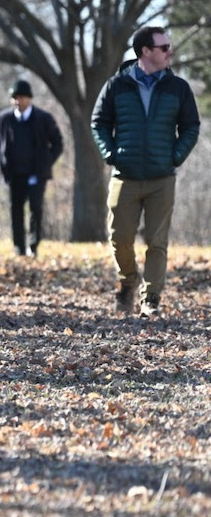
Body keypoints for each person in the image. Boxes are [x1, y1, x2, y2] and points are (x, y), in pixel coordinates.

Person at [92, 25, 201, 317]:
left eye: (169, 46)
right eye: (164, 47)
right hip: (124, 176)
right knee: (120, 238)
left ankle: (151, 298)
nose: (170, 52)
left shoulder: (178, 87)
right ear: (146, 52)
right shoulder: (117, 84)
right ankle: (128, 282)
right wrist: (111, 154)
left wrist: (175, 156)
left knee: (157, 241)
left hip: (161, 178)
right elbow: (99, 122)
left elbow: (191, 126)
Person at [0, 78, 64, 258]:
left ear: (30, 98)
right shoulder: (4, 119)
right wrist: (1, 162)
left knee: (35, 209)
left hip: (36, 174)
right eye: (15, 98)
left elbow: (58, 144)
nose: (18, 101)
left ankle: (33, 245)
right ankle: (19, 246)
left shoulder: (43, 118)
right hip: (14, 174)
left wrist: (46, 163)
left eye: (22, 97)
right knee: (16, 209)